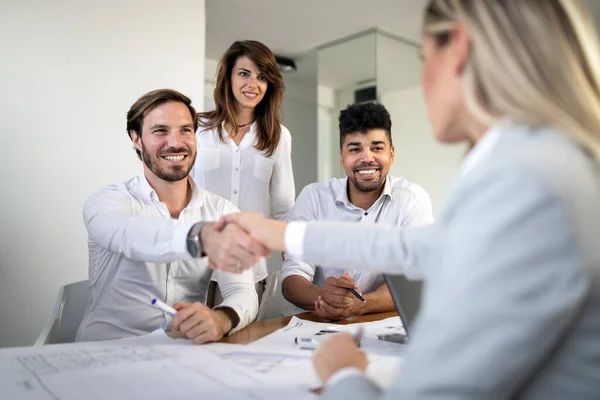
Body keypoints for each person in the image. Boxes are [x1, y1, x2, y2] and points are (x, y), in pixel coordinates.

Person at [215, 0, 600, 398]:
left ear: (460, 49)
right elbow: (408, 247)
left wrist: (344, 376)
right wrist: (282, 234)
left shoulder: (525, 181)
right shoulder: (545, 162)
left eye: (423, 58)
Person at [76, 89, 268, 344]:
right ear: (136, 139)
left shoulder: (223, 211)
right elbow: (128, 235)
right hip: (107, 351)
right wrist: (198, 237)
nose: (176, 142)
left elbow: (241, 291)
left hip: (183, 351)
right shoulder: (107, 202)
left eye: (185, 130)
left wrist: (221, 319)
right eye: (160, 131)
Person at [281, 101, 433, 319]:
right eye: (355, 149)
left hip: (377, 325)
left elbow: (414, 279)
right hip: (311, 324)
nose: (367, 158)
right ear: (342, 157)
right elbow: (291, 279)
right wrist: (324, 296)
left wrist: (359, 304)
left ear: (391, 153)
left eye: (377, 148)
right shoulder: (313, 198)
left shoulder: (412, 200)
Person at [192, 40, 295, 302]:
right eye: (244, 73)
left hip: (248, 266)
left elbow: (284, 206)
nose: (253, 84)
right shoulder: (197, 128)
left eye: (262, 77)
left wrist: (295, 265)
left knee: (243, 339)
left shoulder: (278, 136)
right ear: (227, 77)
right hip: (195, 263)